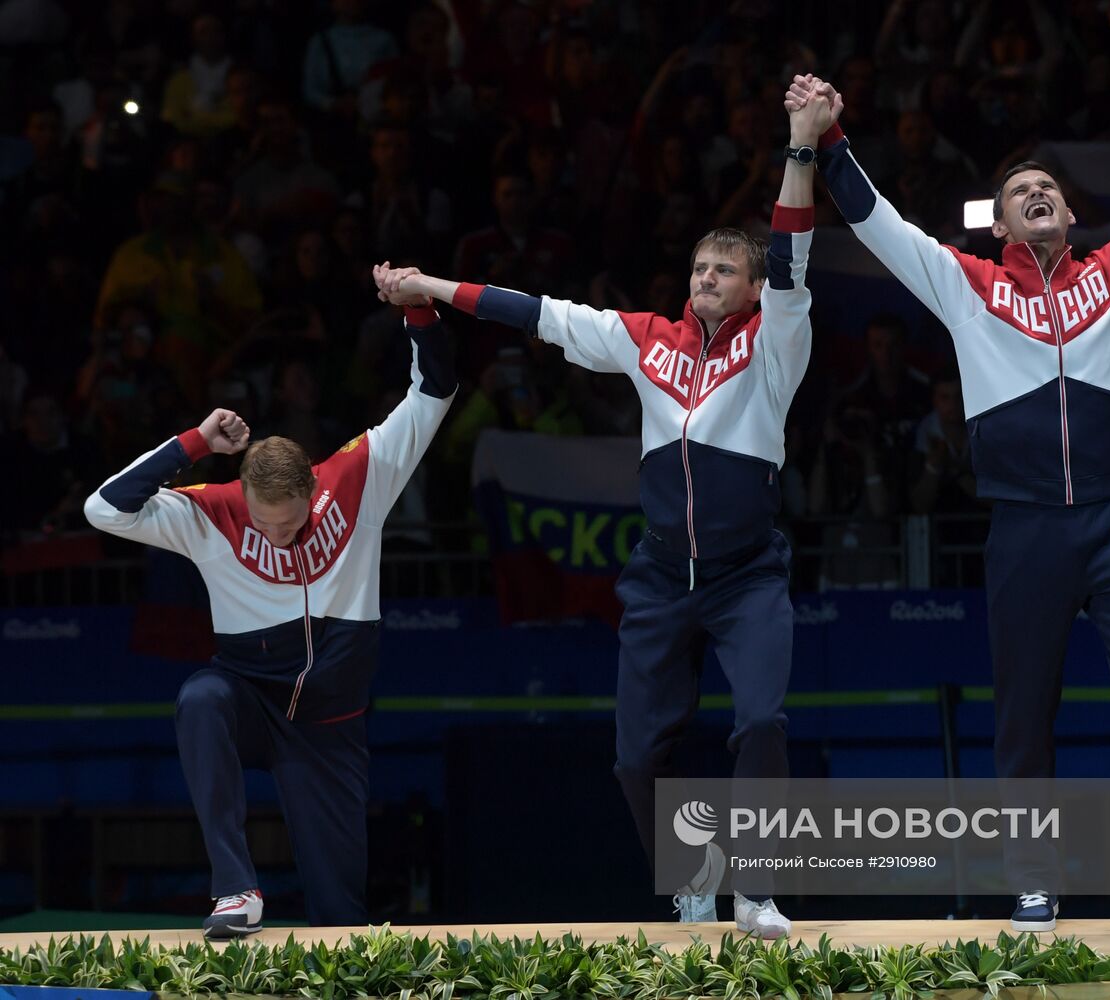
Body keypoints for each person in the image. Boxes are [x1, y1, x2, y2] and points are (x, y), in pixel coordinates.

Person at [789, 27, 1110, 931]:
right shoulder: (967, 285)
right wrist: (825, 139)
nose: (1037, 195)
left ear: (1067, 212)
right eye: (1021, 193)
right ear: (1003, 223)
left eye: (1047, 187)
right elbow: (880, 225)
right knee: (1024, 717)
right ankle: (1032, 873)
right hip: (1024, 527)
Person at [376, 91, 835, 940]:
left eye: (723, 271)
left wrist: (799, 150)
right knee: (633, 761)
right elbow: (536, 314)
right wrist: (428, 285)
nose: (705, 279)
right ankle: (691, 873)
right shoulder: (645, 339)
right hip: (660, 577)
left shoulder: (776, 343)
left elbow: (796, 246)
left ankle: (757, 888)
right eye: (698, 268)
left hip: (746, 577)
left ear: (752, 288)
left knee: (763, 720)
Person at [82, 265, 458, 939]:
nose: (279, 539)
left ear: (312, 487)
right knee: (199, 698)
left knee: (340, 914)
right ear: (244, 496)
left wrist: (419, 312)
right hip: (248, 697)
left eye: (292, 526)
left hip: (328, 725)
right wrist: (194, 442)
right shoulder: (216, 511)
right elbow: (102, 508)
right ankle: (235, 891)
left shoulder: (355, 480)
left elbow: (433, 392)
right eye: (265, 525)